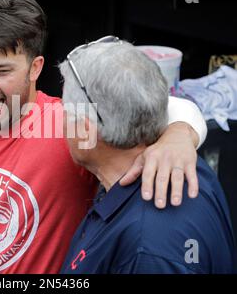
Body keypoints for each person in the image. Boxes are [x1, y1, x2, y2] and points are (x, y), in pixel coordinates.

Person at [0, 0, 207, 274]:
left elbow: (164, 107)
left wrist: (179, 133)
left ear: (35, 68)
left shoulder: (71, 124)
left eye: (1, 71)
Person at [59, 38, 236, 274]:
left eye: (64, 111)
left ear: (84, 131)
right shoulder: (184, 161)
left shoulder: (148, 251)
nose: (59, 122)